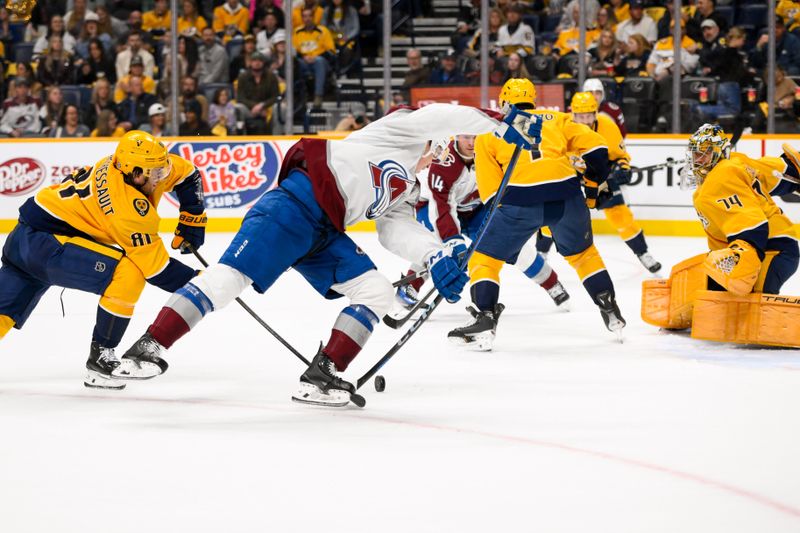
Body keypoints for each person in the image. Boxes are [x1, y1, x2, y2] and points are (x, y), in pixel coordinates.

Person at [118, 103, 539, 407]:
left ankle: (323, 374)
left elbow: (397, 231)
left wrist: (436, 256)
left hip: (324, 233)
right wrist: (500, 123)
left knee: (375, 291)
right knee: (228, 281)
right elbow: (441, 115)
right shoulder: (399, 129)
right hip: (293, 206)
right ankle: (148, 346)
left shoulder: (409, 186)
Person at [0, 131, 206, 390]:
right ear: (135, 174)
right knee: (127, 272)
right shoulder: (125, 207)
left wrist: (192, 215)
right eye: (155, 174)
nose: (161, 178)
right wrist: (204, 283)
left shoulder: (136, 166)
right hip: (45, 244)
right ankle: (101, 357)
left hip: (24, 238)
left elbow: (187, 174)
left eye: (161, 170)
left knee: (2, 312)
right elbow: (157, 270)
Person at [448, 79, 625, 351]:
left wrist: (503, 227)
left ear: (504, 101)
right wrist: (591, 184)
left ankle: (485, 316)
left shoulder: (488, 132)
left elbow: (491, 194)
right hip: (566, 196)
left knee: (485, 258)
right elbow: (598, 149)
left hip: (519, 201)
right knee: (584, 255)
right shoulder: (557, 119)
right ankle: (609, 307)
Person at [396, 134, 570, 314]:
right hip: (434, 206)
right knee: (435, 247)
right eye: (465, 137)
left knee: (512, 245)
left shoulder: (490, 151)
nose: (471, 143)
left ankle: (552, 283)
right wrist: (454, 242)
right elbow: (441, 206)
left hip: (475, 208)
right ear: (456, 136)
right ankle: (409, 287)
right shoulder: (444, 160)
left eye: (474, 137)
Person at [681, 124, 798, 295]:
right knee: (726, 296)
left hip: (773, 248)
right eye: (695, 154)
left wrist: (742, 258)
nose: (697, 161)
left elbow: (751, 224)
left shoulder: (722, 176)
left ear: (718, 153)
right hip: (775, 244)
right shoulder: (736, 162)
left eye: (703, 154)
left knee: (753, 307)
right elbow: (771, 173)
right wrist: (792, 170)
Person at [567, 92, 661, 273]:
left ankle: (643, 253)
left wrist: (622, 169)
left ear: (595, 113)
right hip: (570, 174)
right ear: (574, 115)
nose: (585, 121)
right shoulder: (564, 128)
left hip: (600, 176)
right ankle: (542, 252)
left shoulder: (607, 126)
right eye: (581, 116)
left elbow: (619, 156)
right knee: (554, 213)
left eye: (588, 116)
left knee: (620, 214)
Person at [293, 6, 336, 108]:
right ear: (302, 18)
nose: (307, 18)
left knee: (319, 61)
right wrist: (304, 57)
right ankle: (298, 95)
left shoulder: (323, 30)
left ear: (313, 17)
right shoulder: (297, 31)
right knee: (294, 62)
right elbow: (294, 50)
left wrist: (314, 57)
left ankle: (318, 95)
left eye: (309, 16)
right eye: (304, 16)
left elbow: (331, 51)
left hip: (321, 62)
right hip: (303, 61)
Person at [236, 51, 279, 133]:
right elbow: (240, 98)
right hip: (249, 109)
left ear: (263, 63)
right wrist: (254, 106)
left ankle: (277, 136)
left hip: (267, 108)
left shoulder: (271, 76)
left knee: (280, 107)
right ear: (250, 62)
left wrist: (262, 105)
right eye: (254, 60)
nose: (257, 63)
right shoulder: (243, 76)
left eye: (259, 60)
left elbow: (276, 96)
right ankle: (241, 137)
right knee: (238, 107)